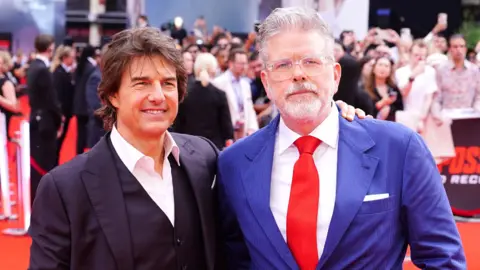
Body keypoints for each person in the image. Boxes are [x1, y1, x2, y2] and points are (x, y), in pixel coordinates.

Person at [217, 7, 465, 270]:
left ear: (335, 75)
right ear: (265, 82)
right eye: (283, 65)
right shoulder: (233, 164)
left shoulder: (399, 148)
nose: (298, 74)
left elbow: (443, 259)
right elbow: (233, 259)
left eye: (311, 61)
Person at [29, 27, 219, 270]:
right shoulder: (65, 189)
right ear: (113, 95)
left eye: (168, 83)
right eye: (143, 84)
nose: (158, 96)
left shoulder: (204, 157)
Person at [26, 34, 62, 204]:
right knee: (44, 164)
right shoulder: (42, 69)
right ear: (50, 47)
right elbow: (51, 100)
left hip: (36, 119)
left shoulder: (33, 66)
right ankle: (43, 202)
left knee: (38, 163)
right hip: (46, 123)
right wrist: (59, 120)